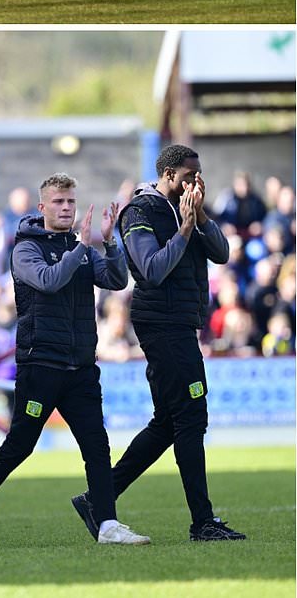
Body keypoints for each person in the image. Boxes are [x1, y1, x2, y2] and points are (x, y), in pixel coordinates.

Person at [0, 173, 148, 548]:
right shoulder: (26, 249)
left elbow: (115, 279)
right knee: (20, 445)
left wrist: (108, 242)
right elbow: (49, 281)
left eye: (71, 202)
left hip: (80, 365)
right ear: (42, 207)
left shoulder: (81, 247)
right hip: (40, 363)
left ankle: (107, 524)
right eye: (59, 202)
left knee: (97, 446)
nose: (66, 208)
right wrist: (81, 247)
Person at [102, 145, 248, 541]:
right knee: (191, 418)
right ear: (168, 174)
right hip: (161, 325)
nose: (195, 183)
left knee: (169, 421)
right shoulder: (140, 213)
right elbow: (151, 270)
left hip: (182, 325)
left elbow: (222, 253)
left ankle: (100, 497)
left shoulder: (190, 208)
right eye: (189, 176)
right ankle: (202, 522)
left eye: (199, 176)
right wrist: (184, 230)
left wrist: (198, 217)